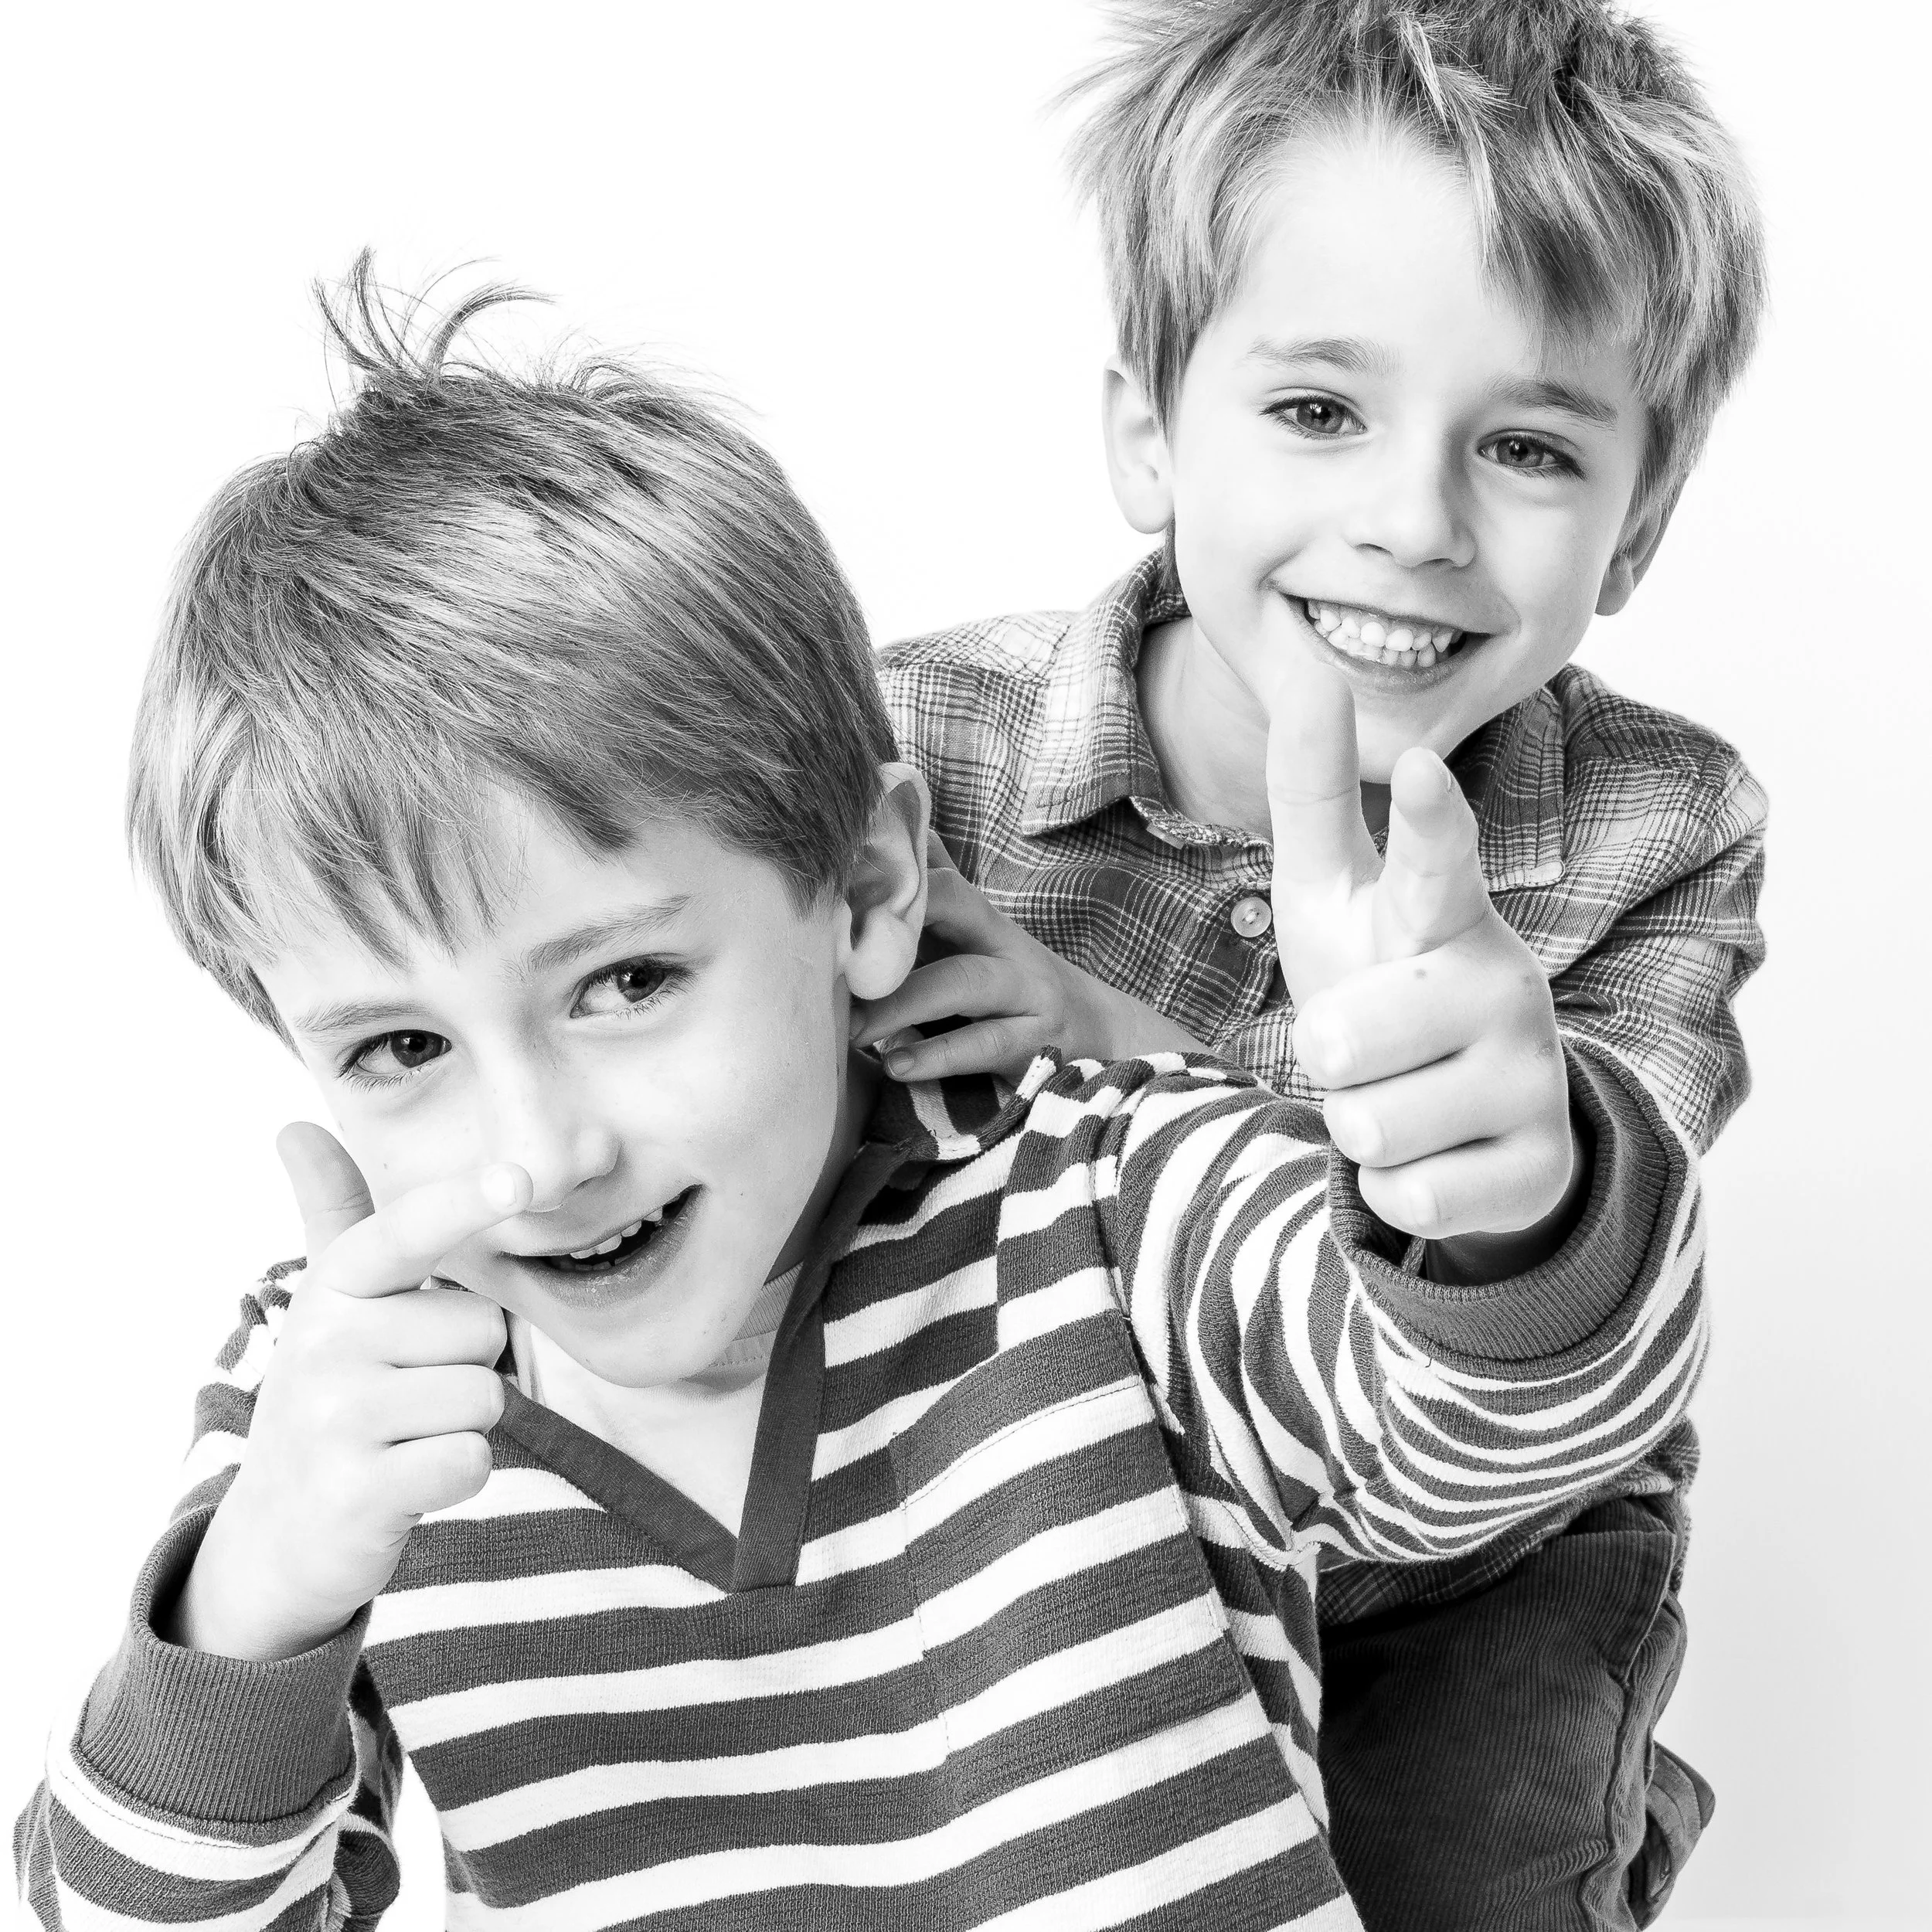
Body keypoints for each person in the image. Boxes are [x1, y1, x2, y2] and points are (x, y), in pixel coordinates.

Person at [18, 264, 1705, 1931]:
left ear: (872, 877)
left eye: (625, 983)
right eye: (400, 1050)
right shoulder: (331, 1402)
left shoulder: (1105, 1209)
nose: (538, 1155)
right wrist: (254, 1604)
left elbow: (1486, 1452)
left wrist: (1494, 1198)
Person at [873, 3, 1767, 1925]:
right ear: (1144, 429)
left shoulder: (1658, 828)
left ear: (1638, 527)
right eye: (1313, 410)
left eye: (1525, 445)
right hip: (1052, 1511)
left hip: (1453, 1579)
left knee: (1462, 1854)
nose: (1411, 519)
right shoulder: (915, 759)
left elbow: (1585, 1292)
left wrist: (1132, 1057)